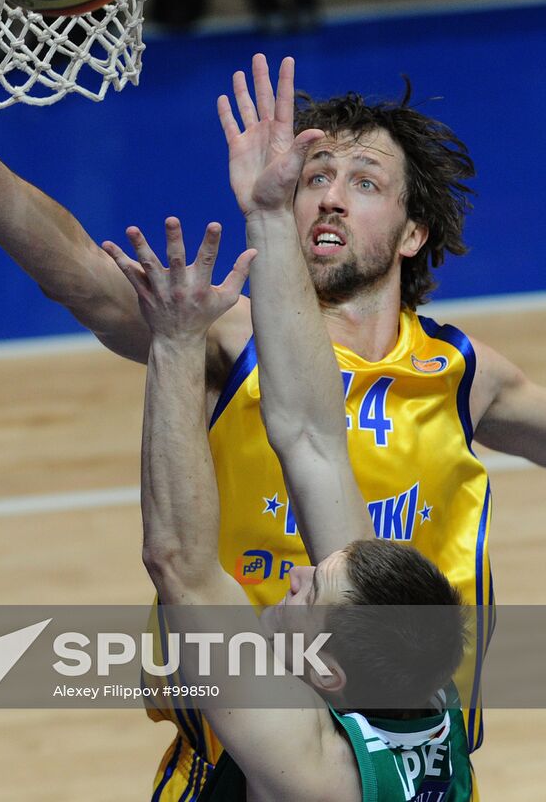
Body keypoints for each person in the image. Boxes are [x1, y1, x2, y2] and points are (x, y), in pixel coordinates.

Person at [0, 27, 546, 800]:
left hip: (401, 736)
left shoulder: (461, 371)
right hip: (251, 743)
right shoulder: (224, 334)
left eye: (363, 181)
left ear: (412, 232)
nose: (329, 194)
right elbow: (80, 277)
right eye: (313, 175)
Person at [102, 188, 470, 799]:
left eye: (311, 592)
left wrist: (176, 342)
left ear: (326, 671)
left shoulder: (311, 769)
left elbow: (180, 566)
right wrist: (270, 217)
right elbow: (314, 444)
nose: (296, 574)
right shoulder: (422, 688)